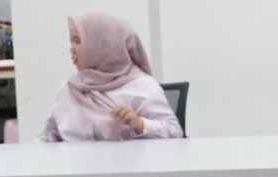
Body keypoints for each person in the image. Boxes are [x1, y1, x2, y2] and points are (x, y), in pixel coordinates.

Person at [40, 13, 183, 142]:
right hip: (75, 163)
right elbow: (50, 135)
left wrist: (138, 123)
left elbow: (174, 131)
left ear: (102, 44)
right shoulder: (69, 88)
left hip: (128, 162)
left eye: (78, 41)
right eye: (71, 41)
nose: (71, 49)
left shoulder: (142, 85)